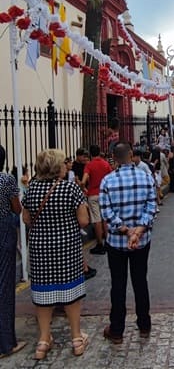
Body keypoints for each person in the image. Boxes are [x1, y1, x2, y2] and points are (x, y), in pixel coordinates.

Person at [22, 149, 90, 359]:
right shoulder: (70, 188)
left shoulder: (32, 189)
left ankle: (43, 340)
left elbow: (26, 219)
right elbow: (84, 221)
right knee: (71, 293)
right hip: (66, 246)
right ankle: (77, 338)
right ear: (56, 167)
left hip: (41, 247)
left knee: (43, 294)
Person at [99, 142, 157, 343]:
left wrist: (125, 230)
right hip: (142, 239)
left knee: (118, 284)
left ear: (114, 158)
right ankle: (144, 324)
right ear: (131, 155)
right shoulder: (146, 176)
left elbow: (106, 212)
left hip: (117, 240)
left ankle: (117, 329)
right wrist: (139, 230)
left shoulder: (107, 181)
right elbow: (152, 204)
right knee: (140, 281)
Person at [0, 145, 27, 359]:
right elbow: (17, 208)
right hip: (3, 233)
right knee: (5, 286)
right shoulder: (6, 180)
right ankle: (6, 343)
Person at [81, 144, 112, 255]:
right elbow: (111, 178)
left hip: (93, 194)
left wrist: (83, 187)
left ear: (90, 153)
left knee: (96, 219)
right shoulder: (106, 164)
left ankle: (100, 244)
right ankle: (108, 242)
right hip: (104, 193)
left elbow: (84, 180)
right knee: (104, 218)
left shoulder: (89, 165)